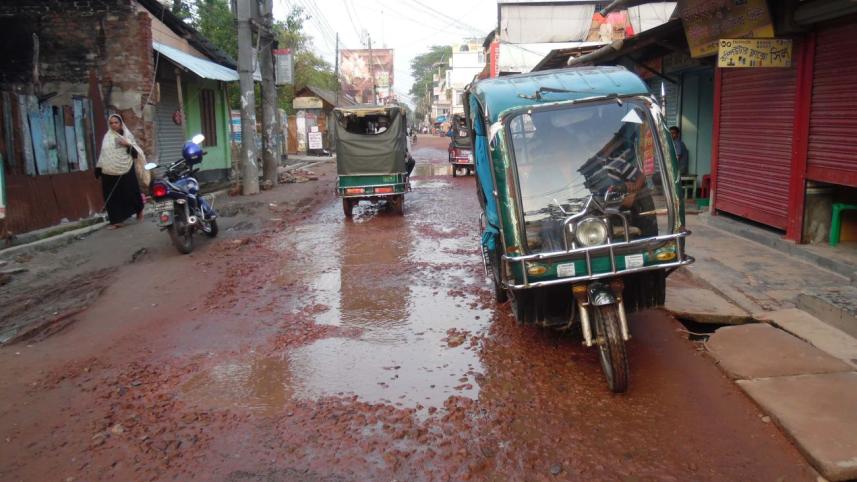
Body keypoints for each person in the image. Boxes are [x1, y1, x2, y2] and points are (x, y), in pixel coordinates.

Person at [95, 114, 144, 229]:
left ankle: (139, 210)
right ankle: (116, 221)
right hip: (109, 171)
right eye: (111, 123)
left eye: (116, 122)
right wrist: (99, 168)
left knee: (131, 191)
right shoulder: (107, 137)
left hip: (125, 168)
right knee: (111, 195)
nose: (113, 125)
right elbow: (104, 154)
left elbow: (135, 154)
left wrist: (128, 145)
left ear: (121, 124)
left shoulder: (127, 136)